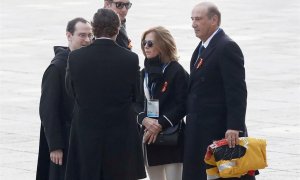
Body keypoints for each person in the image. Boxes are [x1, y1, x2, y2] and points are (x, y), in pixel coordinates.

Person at [64, 8, 146, 180]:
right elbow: (136, 95)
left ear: (94, 28)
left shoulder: (75, 57)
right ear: (117, 29)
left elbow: (71, 91)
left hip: (86, 132)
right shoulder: (130, 58)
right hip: (120, 135)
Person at [182, 2, 255, 180]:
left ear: (214, 20)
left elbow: (237, 90)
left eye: (198, 19)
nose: (193, 24)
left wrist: (234, 126)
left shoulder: (226, 47)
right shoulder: (202, 47)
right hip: (199, 129)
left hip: (218, 130)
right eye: (192, 19)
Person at [36, 17, 93, 180]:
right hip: (65, 141)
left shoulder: (86, 63)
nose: (87, 40)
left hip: (83, 140)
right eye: (82, 35)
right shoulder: (57, 68)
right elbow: (48, 109)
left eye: (90, 35)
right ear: (69, 35)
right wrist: (55, 146)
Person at [136, 26, 189, 180]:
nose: (146, 46)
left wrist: (159, 124)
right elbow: (135, 103)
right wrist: (144, 120)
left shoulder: (176, 70)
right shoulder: (143, 73)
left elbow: (184, 104)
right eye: (144, 43)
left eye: (150, 43)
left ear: (163, 44)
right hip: (149, 137)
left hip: (172, 136)